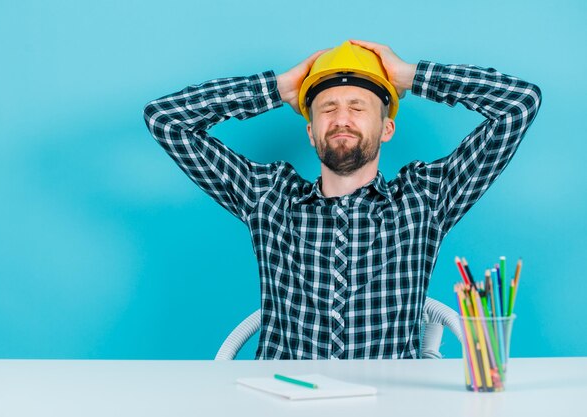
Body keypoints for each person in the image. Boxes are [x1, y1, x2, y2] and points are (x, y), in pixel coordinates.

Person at [143, 39, 541, 360]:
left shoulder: (426, 198)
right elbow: (166, 119)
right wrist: (277, 88)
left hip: (390, 402)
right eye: (327, 108)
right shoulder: (267, 196)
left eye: (358, 107)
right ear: (312, 133)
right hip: (280, 400)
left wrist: (412, 77)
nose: (342, 118)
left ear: (386, 128)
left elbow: (519, 104)